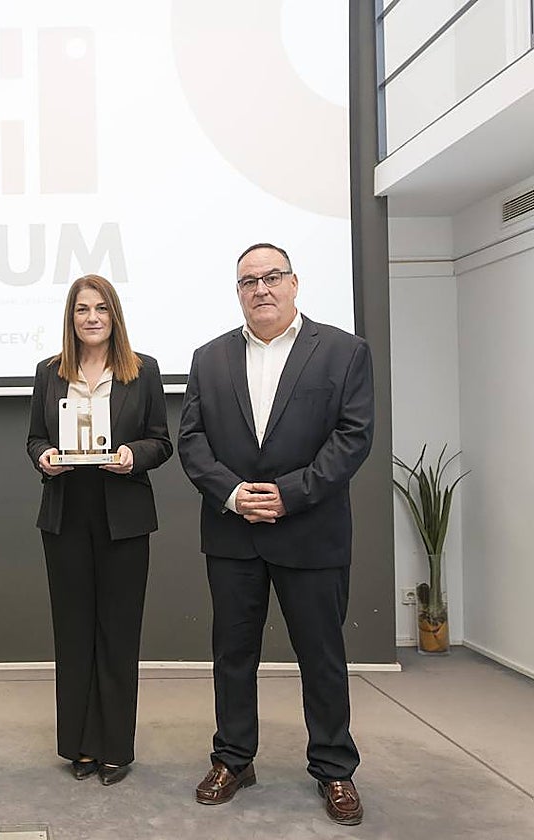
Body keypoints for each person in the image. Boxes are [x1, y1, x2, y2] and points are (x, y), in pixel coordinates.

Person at [177, 243, 374, 825]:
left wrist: (290, 494)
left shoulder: (343, 351)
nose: (260, 289)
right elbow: (192, 441)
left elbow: (353, 436)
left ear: (294, 283)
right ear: (237, 291)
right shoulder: (209, 358)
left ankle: (335, 768)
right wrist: (235, 494)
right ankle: (233, 759)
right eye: (247, 281)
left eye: (272, 277)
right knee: (232, 654)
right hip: (234, 531)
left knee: (322, 655)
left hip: (311, 532)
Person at [26, 274, 173, 786]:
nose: (91, 318)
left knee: (117, 633)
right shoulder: (49, 373)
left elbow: (162, 441)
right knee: (73, 634)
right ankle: (80, 746)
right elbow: (34, 439)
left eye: (101, 309)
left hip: (124, 519)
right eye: (82, 309)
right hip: (66, 514)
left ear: (115, 316)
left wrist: (134, 456)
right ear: (71, 318)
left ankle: (115, 746)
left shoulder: (143, 371)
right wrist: (44, 457)